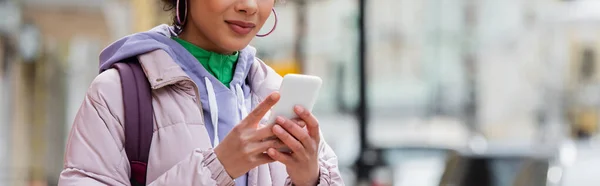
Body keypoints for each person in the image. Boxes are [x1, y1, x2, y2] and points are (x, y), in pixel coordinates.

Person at [57, 0, 343, 185]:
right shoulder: (117, 93)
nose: (249, 6)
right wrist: (217, 168)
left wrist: (310, 178)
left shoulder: (274, 93)